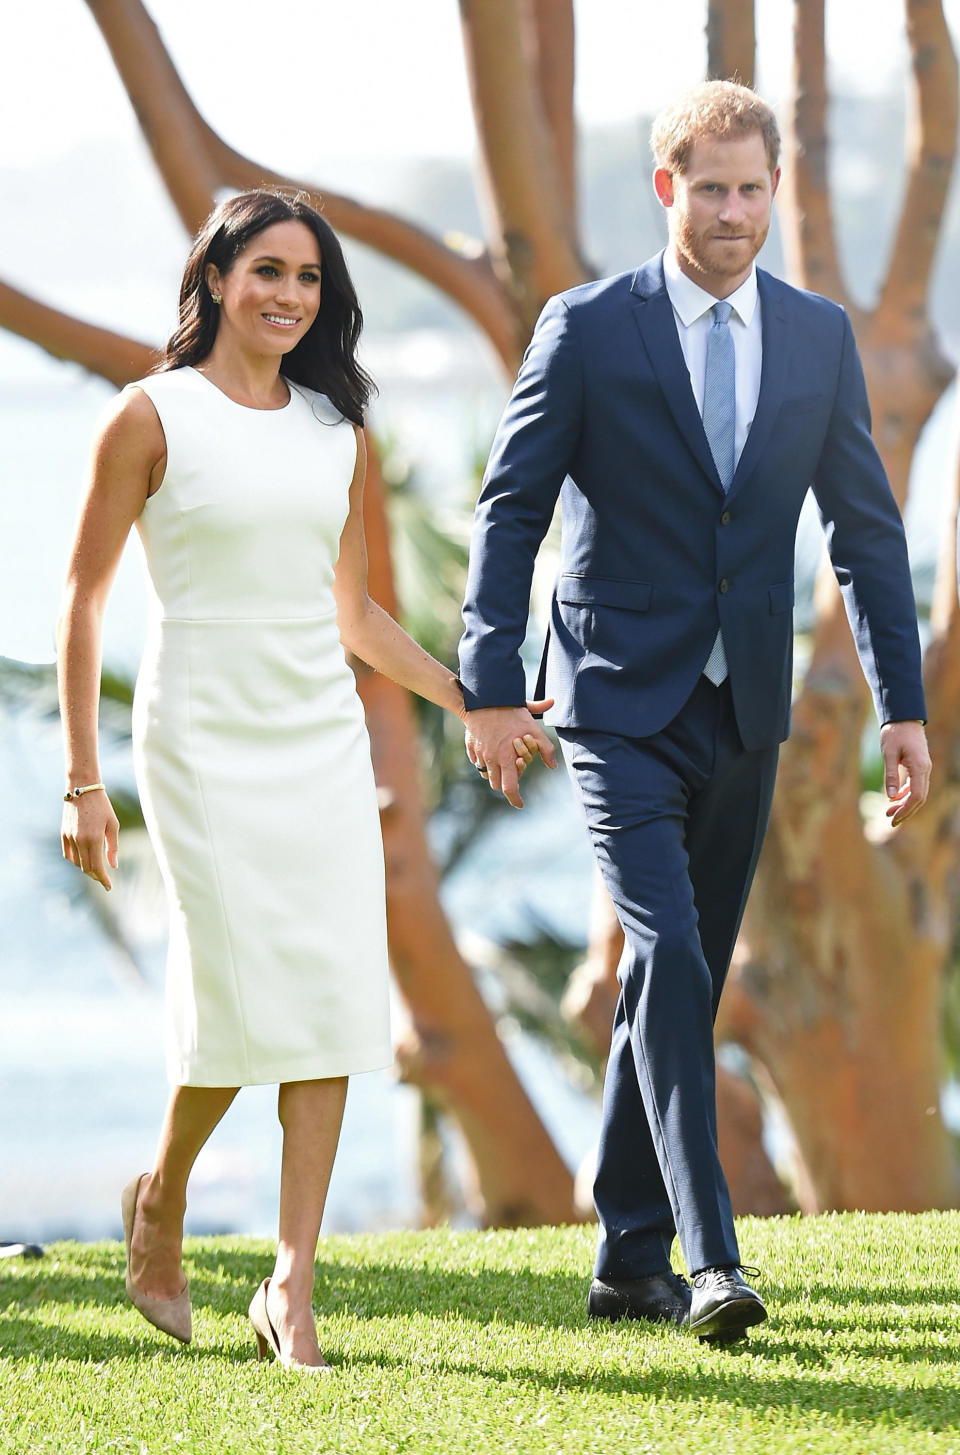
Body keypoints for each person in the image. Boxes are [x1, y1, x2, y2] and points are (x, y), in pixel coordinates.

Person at [457, 81, 930, 1342]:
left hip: (745, 710)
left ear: (775, 193)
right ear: (667, 190)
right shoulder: (588, 328)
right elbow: (511, 510)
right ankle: (708, 1257)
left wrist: (902, 704)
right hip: (612, 701)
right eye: (709, 187)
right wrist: (490, 682)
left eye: (750, 188)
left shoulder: (818, 337)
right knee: (666, 953)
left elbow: (866, 533)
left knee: (684, 978)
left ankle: (622, 1262)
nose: (731, 211)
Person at [58, 188, 543, 1370]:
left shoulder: (338, 432)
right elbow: (83, 600)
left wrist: (473, 701)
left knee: (327, 1002)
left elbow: (358, 616)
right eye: (266, 270)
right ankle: (163, 1203)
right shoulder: (149, 417)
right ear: (218, 278)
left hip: (317, 739)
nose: (287, 295)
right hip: (202, 738)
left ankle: (291, 1285)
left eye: (310, 278)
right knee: (231, 999)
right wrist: (81, 781)